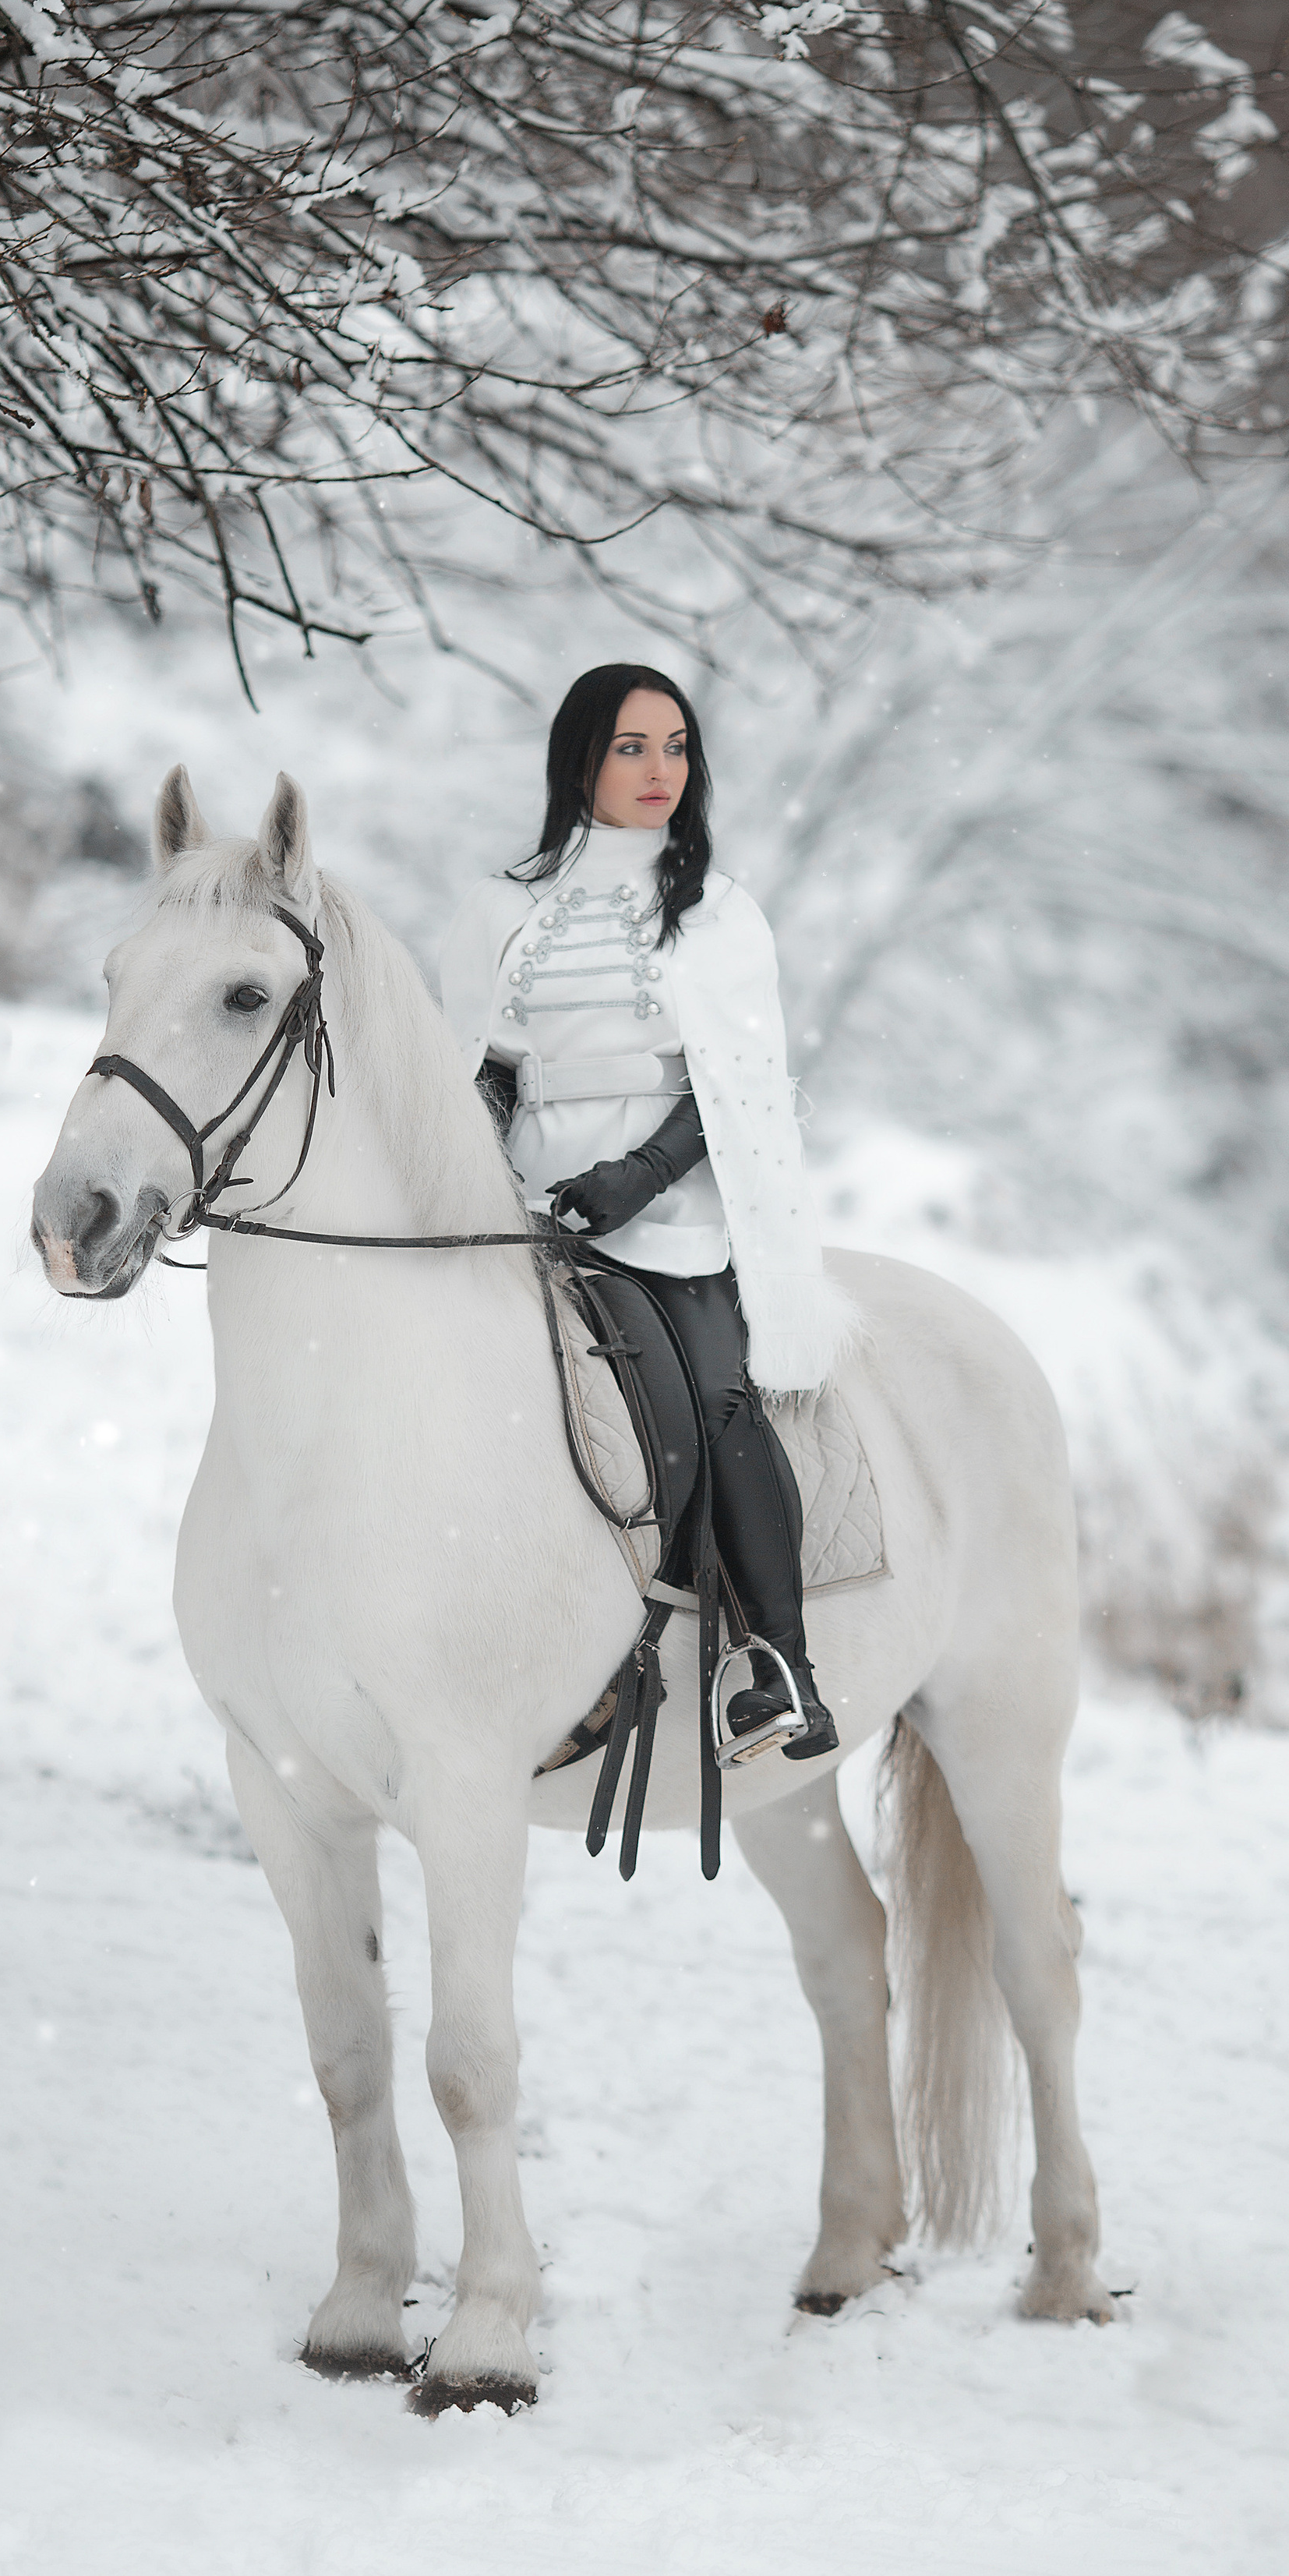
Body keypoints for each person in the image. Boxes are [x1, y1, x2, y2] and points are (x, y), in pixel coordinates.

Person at [439, 663, 859, 1762]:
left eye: (676, 746)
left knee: (714, 1404)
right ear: (580, 758)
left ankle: (777, 1667)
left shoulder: (718, 914)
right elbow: (476, 1064)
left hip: (675, 1217)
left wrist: (638, 1176)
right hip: (527, 1212)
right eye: (632, 746)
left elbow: (734, 1085)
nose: (660, 769)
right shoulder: (499, 907)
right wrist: (487, 1152)